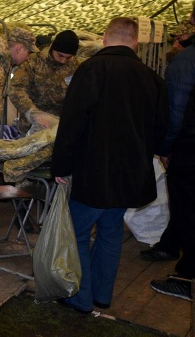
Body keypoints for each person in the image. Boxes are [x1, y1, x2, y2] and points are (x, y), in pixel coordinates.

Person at [51, 17, 168, 313]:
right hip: (130, 173)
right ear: (135, 43)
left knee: (78, 233)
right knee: (110, 231)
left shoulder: (91, 69)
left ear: (104, 38)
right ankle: (101, 295)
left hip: (93, 170)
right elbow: (161, 129)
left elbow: (72, 122)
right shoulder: (151, 77)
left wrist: (61, 165)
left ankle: (79, 298)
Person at [140, 18, 195, 263]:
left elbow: (175, 110)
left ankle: (186, 274)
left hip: (188, 145)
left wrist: (164, 147)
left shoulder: (185, 61)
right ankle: (171, 245)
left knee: (185, 203)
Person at [150, 83, 195, 300]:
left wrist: (165, 147)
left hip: (189, 150)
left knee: (188, 211)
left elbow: (176, 112)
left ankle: (187, 279)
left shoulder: (184, 66)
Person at [9, 30, 80, 135]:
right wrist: (32, 113)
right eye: (60, 55)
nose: (63, 61)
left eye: (68, 58)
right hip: (32, 125)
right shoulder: (33, 61)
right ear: (52, 48)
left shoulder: (74, 64)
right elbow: (15, 88)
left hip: (60, 126)